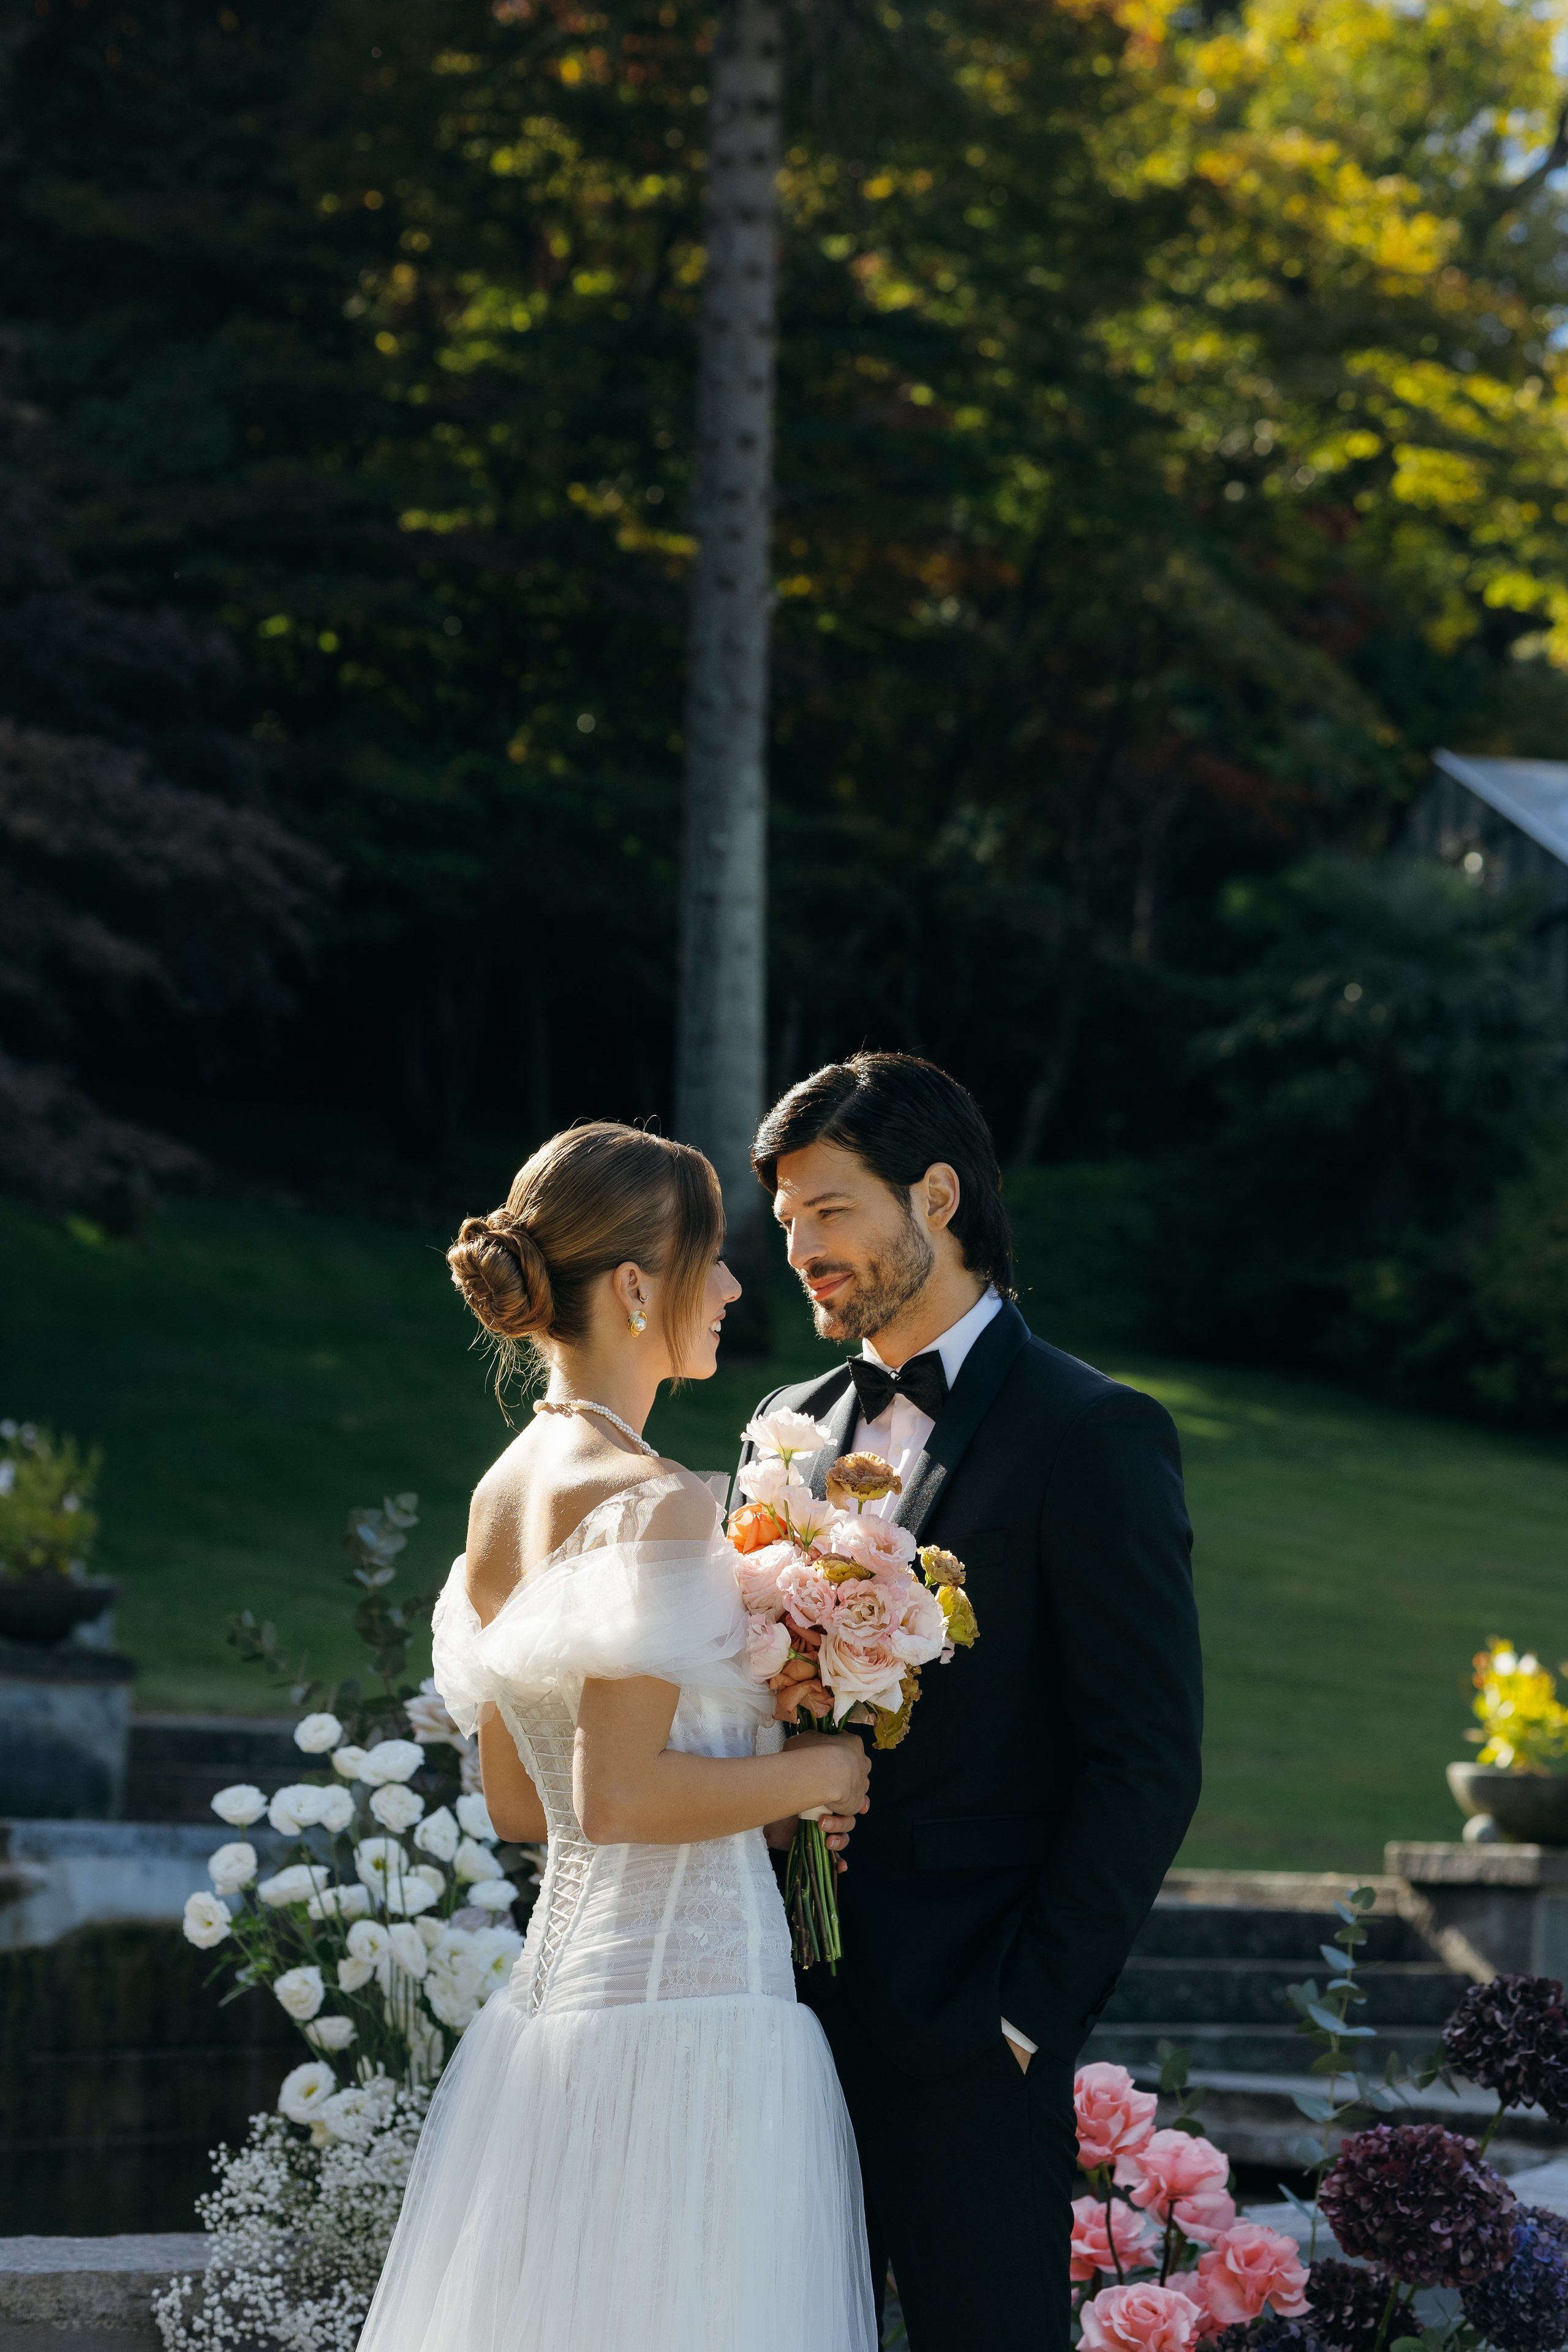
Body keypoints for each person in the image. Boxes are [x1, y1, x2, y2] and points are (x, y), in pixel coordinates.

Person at [358, 1121, 876, 2352]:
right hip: (690, 2017)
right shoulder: (652, 1502)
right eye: (717, 1260)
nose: (740, 1288)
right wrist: (820, 1767)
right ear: (639, 1286)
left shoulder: (502, 1493)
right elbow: (622, 1798)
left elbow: (521, 1804)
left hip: (555, 2019)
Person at [739, 1052, 1204, 2352]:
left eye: (828, 1212)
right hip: (770, 2019)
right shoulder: (782, 1423)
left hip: (967, 2035)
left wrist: (1020, 2015)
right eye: (784, 1225)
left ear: (934, 1196)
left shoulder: (1093, 1433)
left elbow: (1145, 1759)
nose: (798, 1250)